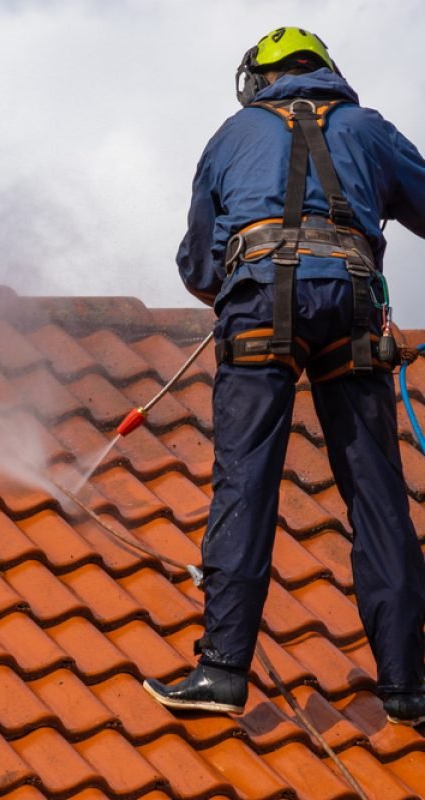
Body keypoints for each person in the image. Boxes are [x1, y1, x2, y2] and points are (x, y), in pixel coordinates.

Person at [143, 26, 425, 725]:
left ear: (259, 80)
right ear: (325, 73)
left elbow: (201, 267)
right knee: (376, 491)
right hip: (352, 305)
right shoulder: (367, 127)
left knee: (247, 482)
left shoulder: (231, 135)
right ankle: (407, 685)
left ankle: (221, 672)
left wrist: (242, 283)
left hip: (261, 306)